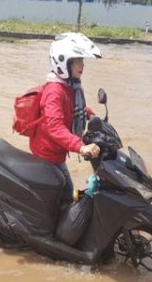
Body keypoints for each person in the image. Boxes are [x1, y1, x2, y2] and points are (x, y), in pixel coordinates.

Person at [29, 32, 102, 203]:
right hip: (47, 156)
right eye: (77, 61)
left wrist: (89, 114)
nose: (81, 65)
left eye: (82, 60)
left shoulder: (69, 85)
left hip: (57, 153)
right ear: (64, 63)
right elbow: (55, 127)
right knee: (66, 194)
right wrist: (81, 147)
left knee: (68, 193)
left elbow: (73, 107)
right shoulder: (55, 91)